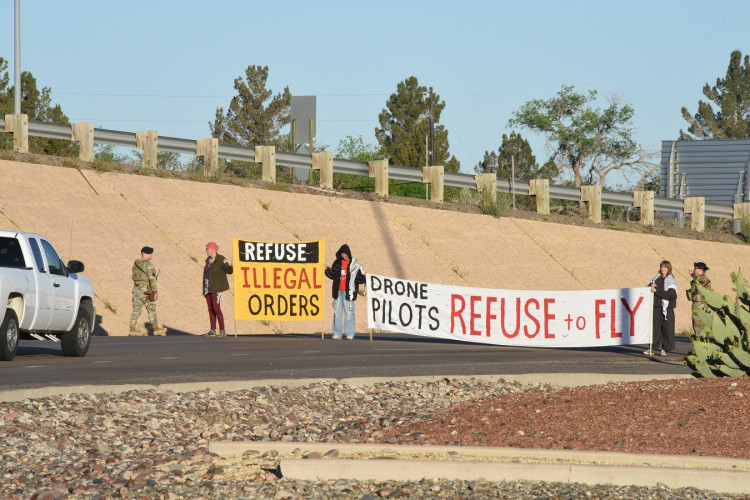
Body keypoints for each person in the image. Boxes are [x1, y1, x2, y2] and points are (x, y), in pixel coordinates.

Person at [325, 244, 366, 340]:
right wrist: (326, 270)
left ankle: (349, 333)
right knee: (337, 313)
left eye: (345, 254)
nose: (344, 256)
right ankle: (336, 333)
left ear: (349, 253)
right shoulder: (337, 263)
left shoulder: (355, 264)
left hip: (350, 293)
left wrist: (364, 277)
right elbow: (332, 275)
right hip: (338, 291)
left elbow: (359, 280)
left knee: (349, 313)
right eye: (342, 254)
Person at [129, 246, 165, 336]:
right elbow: (152, 279)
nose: (152, 255)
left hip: (136, 289)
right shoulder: (149, 265)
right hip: (146, 290)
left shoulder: (136, 263)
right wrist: (155, 291)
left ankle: (132, 330)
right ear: (148, 254)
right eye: (151, 253)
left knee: (136, 310)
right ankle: (156, 329)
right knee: (151, 309)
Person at [645, 260, 677, 356]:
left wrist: (656, 291)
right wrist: (651, 286)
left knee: (666, 329)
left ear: (668, 269)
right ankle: (652, 348)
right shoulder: (656, 278)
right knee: (655, 329)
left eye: (665, 267)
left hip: (667, 308)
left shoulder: (671, 281)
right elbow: (649, 288)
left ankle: (664, 348)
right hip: (656, 307)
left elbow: (671, 295)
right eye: (662, 267)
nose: (663, 269)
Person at [203, 241, 233, 338]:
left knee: (216, 308)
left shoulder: (221, 259)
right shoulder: (208, 260)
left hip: (217, 288)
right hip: (208, 287)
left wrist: (232, 265)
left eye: (207, 248)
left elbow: (229, 271)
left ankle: (222, 330)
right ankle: (213, 330)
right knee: (210, 309)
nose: (206, 250)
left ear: (212, 249)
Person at [687, 261, 712, 336]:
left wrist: (692, 274)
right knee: (695, 324)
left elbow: (699, 278)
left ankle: (702, 342)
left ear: (700, 270)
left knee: (700, 325)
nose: (694, 269)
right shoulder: (696, 280)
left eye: (696, 268)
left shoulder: (704, 278)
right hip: (696, 304)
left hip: (702, 305)